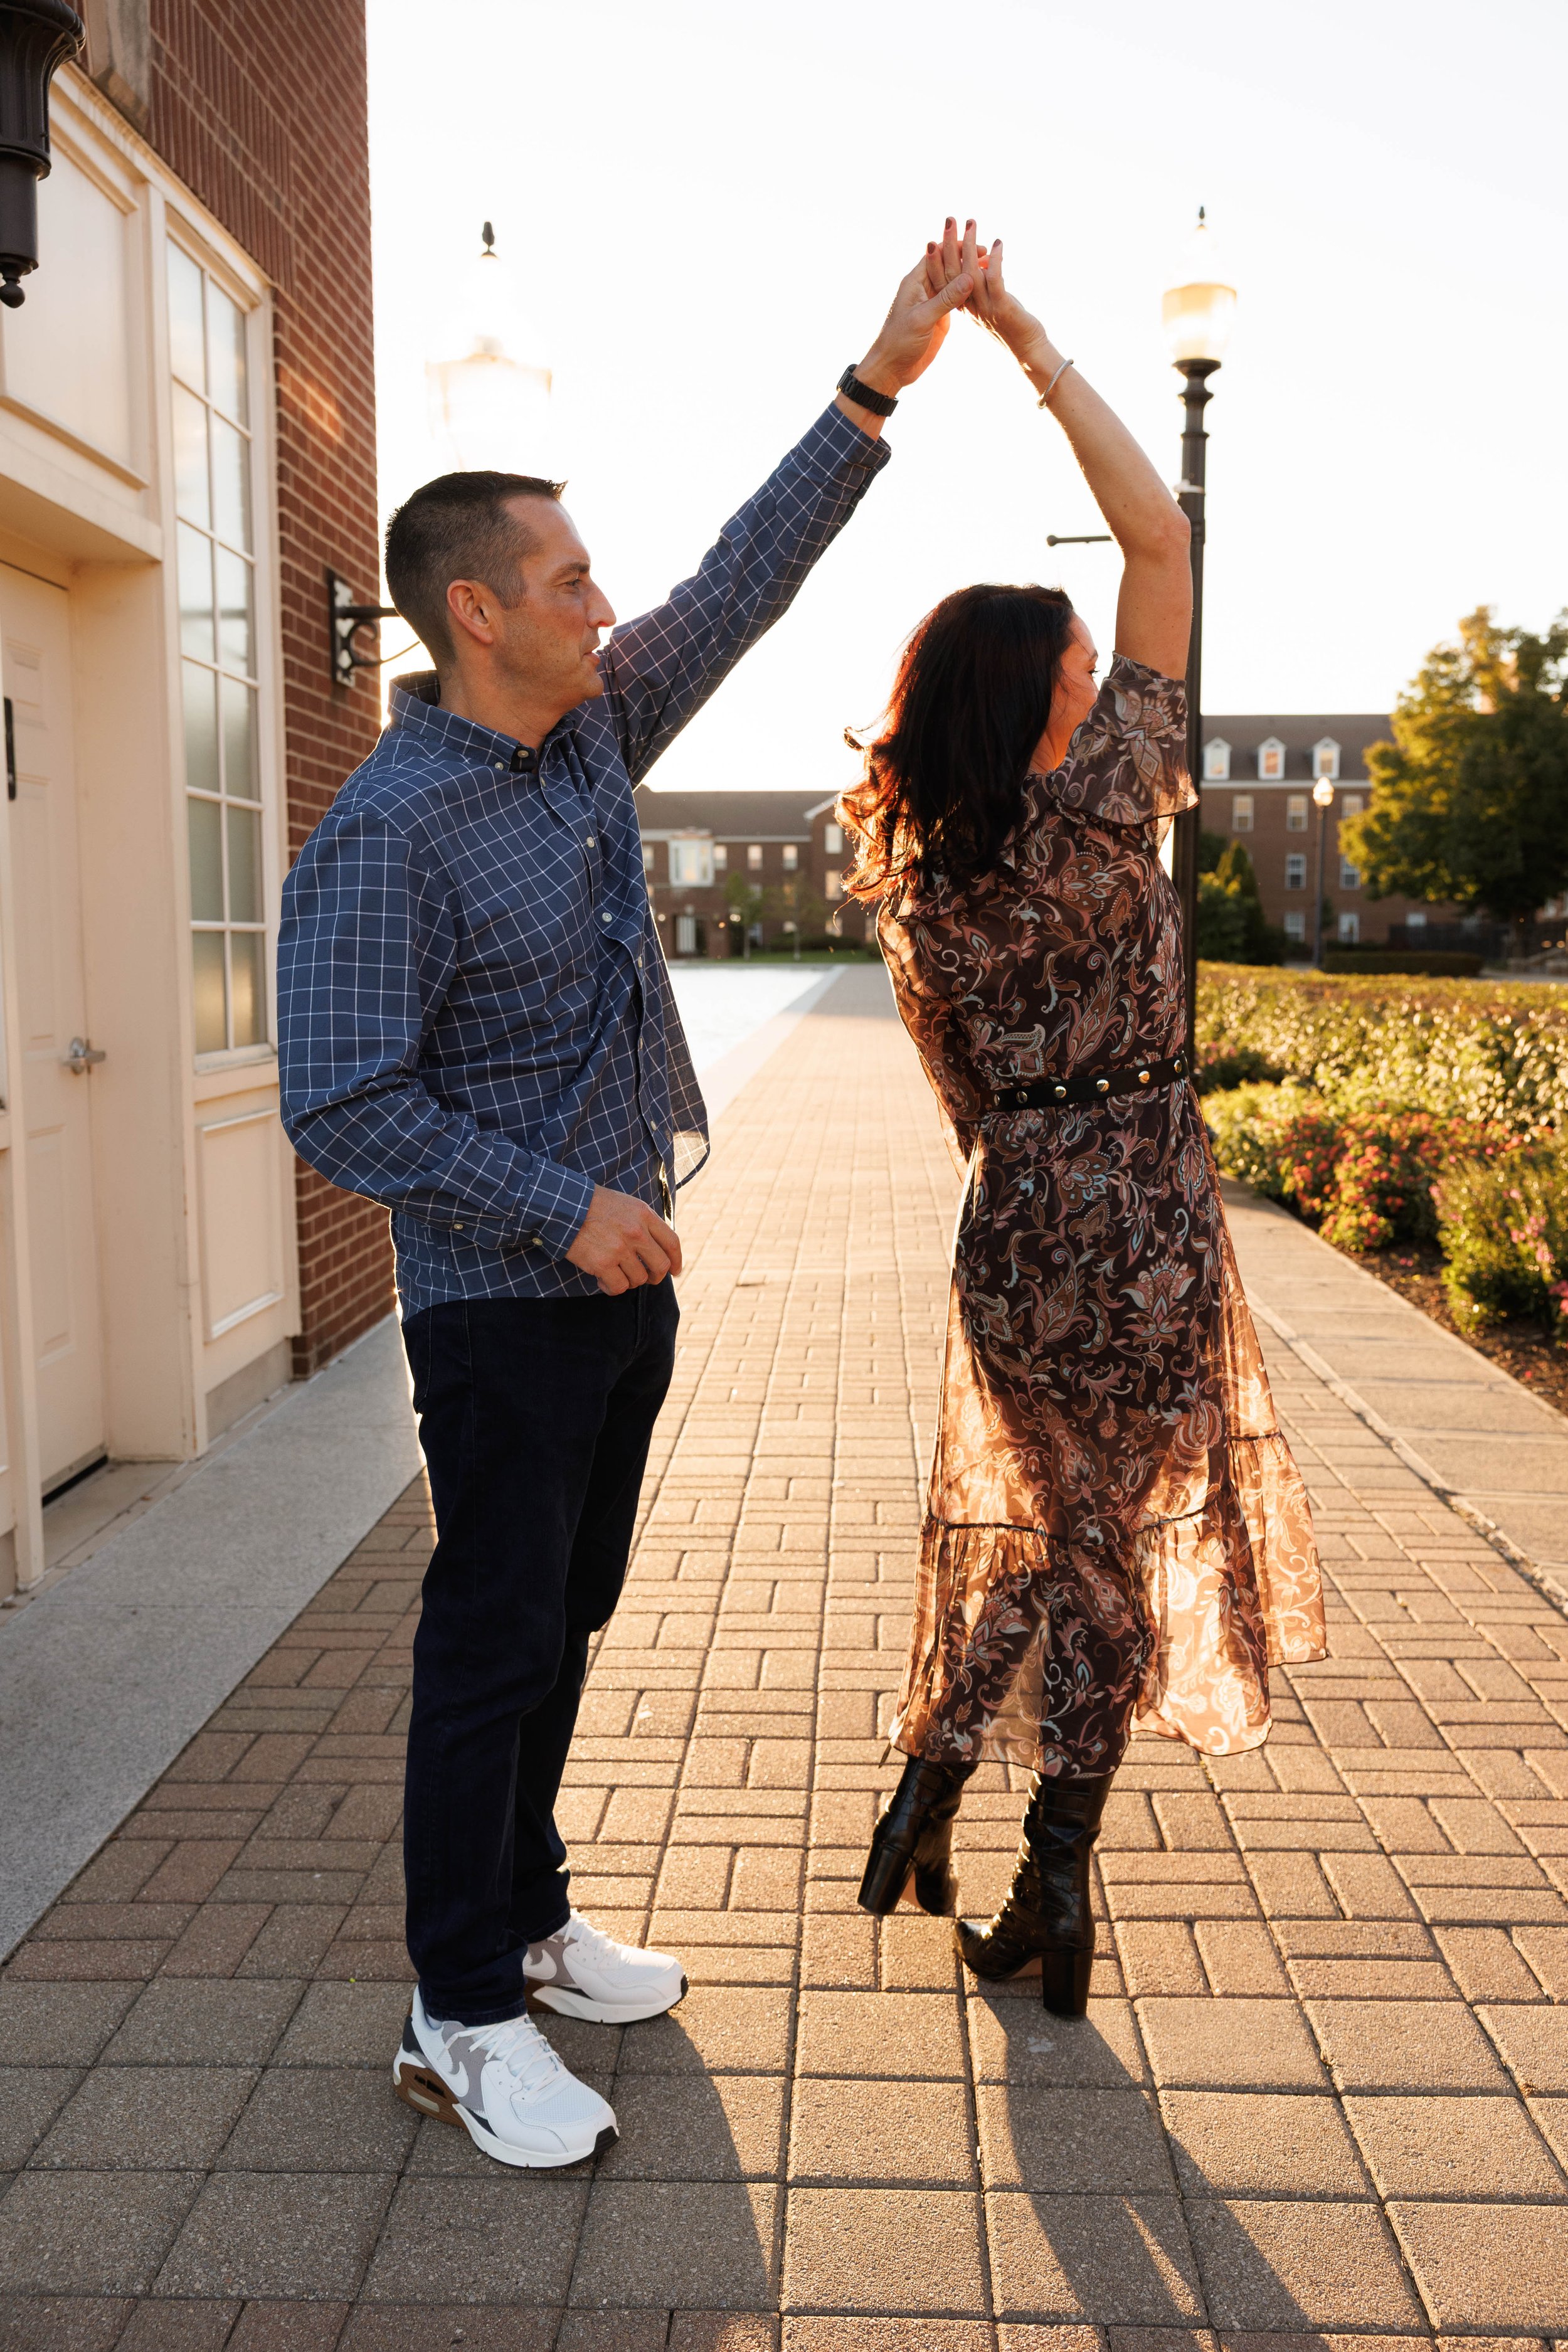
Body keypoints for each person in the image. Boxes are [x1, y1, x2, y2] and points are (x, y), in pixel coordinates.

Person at [276, 242, 975, 2169]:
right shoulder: (390, 827)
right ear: (476, 612)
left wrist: (873, 385)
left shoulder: (582, 731)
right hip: (499, 1308)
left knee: (561, 1622)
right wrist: (558, 1207)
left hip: (615, 1284)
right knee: (490, 1638)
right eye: (572, 578)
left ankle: (527, 1917)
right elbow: (336, 1097)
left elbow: (745, 580)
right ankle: (457, 2012)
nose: (608, 601)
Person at [844, 223, 1327, 2017]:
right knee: (1110, 1541)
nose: (1092, 659)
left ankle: (935, 1785)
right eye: (1072, 654)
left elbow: (951, 1097)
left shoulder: (922, 879)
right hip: (1136, 1210)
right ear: (1052, 689)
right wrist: (1030, 337)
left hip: (1012, 1215)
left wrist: (1027, 1163)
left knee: (1061, 1534)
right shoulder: (1117, 804)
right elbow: (1160, 533)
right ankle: (1051, 1870)